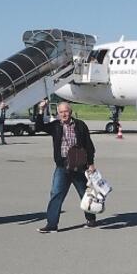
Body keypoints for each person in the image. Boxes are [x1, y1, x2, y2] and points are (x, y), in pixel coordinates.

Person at [35, 98, 98, 231]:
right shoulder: (56, 126)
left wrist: (91, 164)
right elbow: (38, 127)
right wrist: (41, 110)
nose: (64, 114)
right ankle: (52, 225)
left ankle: (91, 219)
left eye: (66, 111)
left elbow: (89, 145)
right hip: (62, 166)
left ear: (71, 112)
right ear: (58, 113)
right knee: (56, 194)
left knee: (84, 193)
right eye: (61, 112)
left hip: (79, 166)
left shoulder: (80, 125)